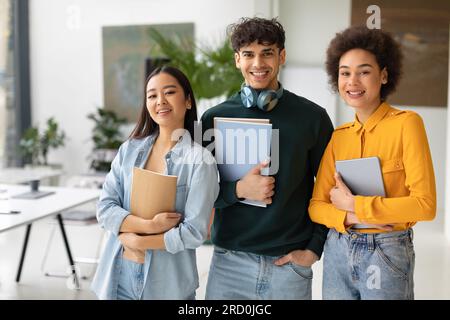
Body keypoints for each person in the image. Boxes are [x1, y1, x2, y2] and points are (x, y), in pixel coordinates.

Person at [200, 17, 334, 300]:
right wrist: (238, 190)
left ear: (281, 56)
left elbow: (328, 189)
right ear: (237, 59)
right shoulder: (213, 119)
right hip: (228, 264)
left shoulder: (313, 118)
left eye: (267, 53)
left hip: (289, 267)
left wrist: (313, 249)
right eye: (248, 54)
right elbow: (202, 193)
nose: (257, 63)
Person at [309, 26, 436, 300]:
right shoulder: (338, 137)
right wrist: (351, 216)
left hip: (386, 250)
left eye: (364, 71)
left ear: (384, 75)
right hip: (338, 249)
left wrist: (357, 204)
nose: (352, 81)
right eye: (345, 73)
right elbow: (316, 206)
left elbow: (425, 205)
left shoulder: (407, 124)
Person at [91, 66, 219, 300]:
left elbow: (194, 232)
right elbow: (105, 209)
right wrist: (150, 226)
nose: (160, 101)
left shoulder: (201, 161)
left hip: (168, 287)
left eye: (169, 92)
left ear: (188, 101)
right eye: (152, 95)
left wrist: (135, 239)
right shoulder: (129, 150)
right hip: (118, 280)